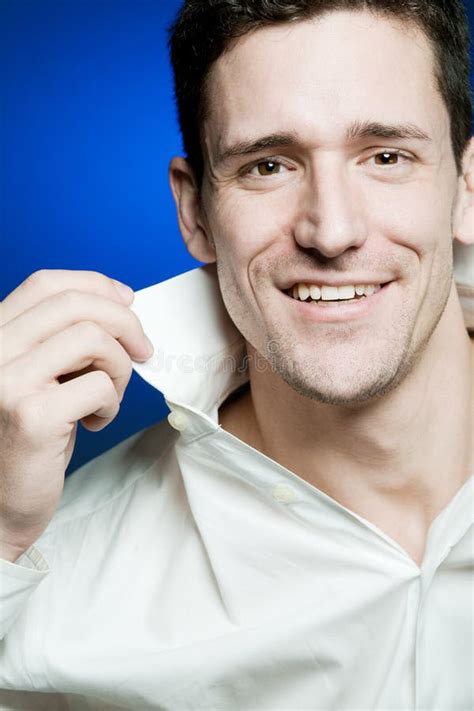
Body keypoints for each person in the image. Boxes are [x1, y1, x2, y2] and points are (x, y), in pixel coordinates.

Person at [0, 0, 473, 708]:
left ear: (467, 186)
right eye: (269, 165)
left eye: (386, 156)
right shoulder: (49, 580)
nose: (333, 230)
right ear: (195, 212)